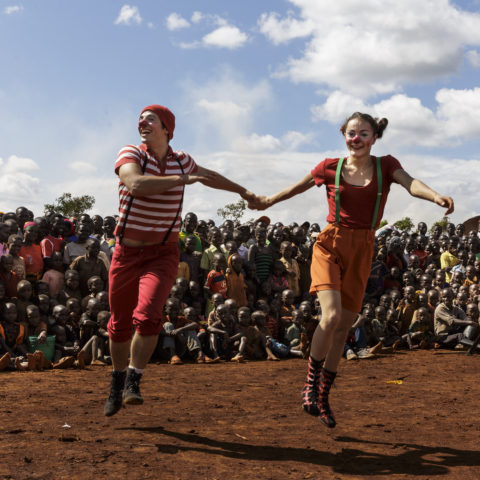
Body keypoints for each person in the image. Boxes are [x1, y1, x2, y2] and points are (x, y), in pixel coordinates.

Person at [248, 112, 454, 428]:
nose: (356, 139)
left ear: (374, 138)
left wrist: (435, 196)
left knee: (343, 326)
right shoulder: (331, 166)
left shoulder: (386, 165)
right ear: (344, 134)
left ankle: (324, 395)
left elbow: (410, 183)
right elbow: (297, 187)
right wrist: (268, 200)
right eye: (351, 133)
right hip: (331, 242)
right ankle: (310, 384)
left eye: (364, 133)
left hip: (363, 247)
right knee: (329, 317)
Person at [104, 104, 254, 417]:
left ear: (167, 128)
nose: (142, 123)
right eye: (141, 119)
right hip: (127, 252)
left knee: (147, 318)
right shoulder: (132, 153)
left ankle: (134, 379)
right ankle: (117, 381)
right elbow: (135, 185)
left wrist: (243, 192)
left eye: (150, 120)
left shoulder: (182, 160)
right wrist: (182, 179)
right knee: (119, 325)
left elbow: (207, 176)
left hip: (162, 253)